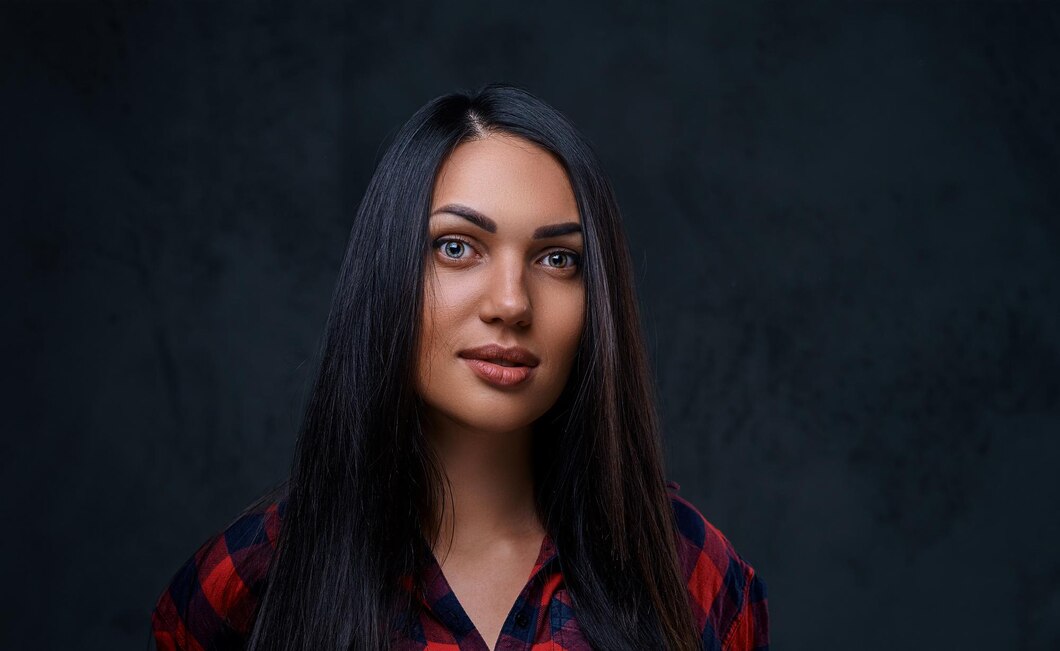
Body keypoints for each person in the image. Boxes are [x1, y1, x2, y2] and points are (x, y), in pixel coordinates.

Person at [150, 83, 769, 651]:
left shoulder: (689, 570)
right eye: (457, 248)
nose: (510, 303)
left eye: (557, 259)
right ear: (387, 272)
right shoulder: (253, 583)